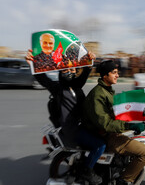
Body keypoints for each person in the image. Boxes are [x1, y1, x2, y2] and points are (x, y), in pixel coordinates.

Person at [25, 49, 105, 185]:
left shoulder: (77, 87)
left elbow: (83, 76)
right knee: (100, 145)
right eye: (66, 70)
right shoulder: (58, 88)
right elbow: (43, 79)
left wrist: (89, 62)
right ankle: (87, 171)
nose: (71, 72)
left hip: (82, 126)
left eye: (73, 69)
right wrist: (32, 64)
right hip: (72, 130)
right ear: (60, 72)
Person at [82, 60, 145, 185]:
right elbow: (105, 124)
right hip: (107, 135)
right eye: (114, 73)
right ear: (105, 76)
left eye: (117, 72)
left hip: (111, 131)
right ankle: (124, 180)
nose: (117, 75)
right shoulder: (98, 94)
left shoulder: (107, 90)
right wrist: (128, 125)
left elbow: (116, 112)